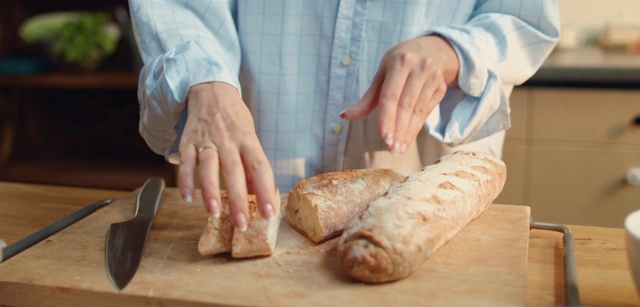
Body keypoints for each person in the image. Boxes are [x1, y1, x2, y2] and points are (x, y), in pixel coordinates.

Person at [129, 1, 560, 231]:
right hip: (250, 162)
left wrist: (453, 51)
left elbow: (525, 17)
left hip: (426, 186)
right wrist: (202, 76)